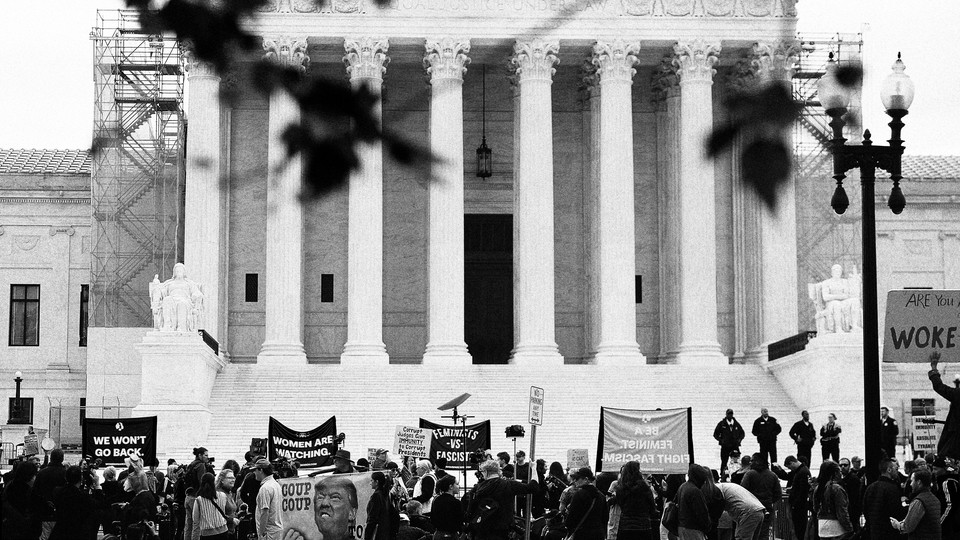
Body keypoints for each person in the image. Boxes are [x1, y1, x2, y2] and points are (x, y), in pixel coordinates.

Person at [466, 458, 538, 540]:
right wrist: (534, 468)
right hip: (502, 529)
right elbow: (533, 487)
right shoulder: (509, 485)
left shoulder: (477, 488)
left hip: (482, 529)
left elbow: (470, 511)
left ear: (485, 472)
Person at [890, 468, 942, 539]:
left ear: (919, 482)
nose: (910, 484)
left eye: (912, 481)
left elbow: (908, 526)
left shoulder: (919, 501)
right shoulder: (935, 499)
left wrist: (897, 525)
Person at [49, 465, 97, 540]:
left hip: (60, 531)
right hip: (77, 532)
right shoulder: (83, 496)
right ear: (81, 478)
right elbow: (98, 505)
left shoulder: (57, 491)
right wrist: (97, 486)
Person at [611, 461, 657, 540]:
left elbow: (621, 504)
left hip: (625, 525)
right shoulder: (644, 487)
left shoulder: (620, 488)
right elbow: (652, 506)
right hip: (643, 525)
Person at [739, 453, 781, 540]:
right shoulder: (772, 475)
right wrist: (769, 501)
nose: (750, 462)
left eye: (752, 460)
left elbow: (742, 491)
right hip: (767, 507)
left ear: (758, 461)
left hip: (751, 509)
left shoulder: (749, 474)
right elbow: (778, 494)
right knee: (764, 533)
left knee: (750, 533)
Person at [863, 459, 907, 540]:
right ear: (889, 470)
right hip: (889, 532)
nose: (897, 472)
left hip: (874, 532)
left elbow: (865, 509)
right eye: (896, 469)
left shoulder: (870, 487)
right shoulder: (892, 488)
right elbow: (896, 512)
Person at [928, 351, 960, 460]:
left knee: (945, 459)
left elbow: (939, 386)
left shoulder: (958, 394)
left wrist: (934, 368)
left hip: (956, 436)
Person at [563, 467, 608, 540]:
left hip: (582, 534)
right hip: (598, 534)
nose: (574, 481)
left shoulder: (579, 494)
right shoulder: (601, 496)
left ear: (586, 479)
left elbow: (572, 517)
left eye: (577, 478)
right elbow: (605, 518)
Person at [34, 447, 68, 540]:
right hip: (62, 513)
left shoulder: (41, 473)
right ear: (62, 459)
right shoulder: (65, 474)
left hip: (44, 512)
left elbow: (36, 492)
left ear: (51, 458)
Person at [813, 460, 852, 540]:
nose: (840, 473)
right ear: (834, 473)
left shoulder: (818, 488)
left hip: (822, 526)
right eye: (839, 471)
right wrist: (849, 528)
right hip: (836, 527)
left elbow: (815, 508)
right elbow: (842, 512)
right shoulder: (837, 489)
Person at [2, 459, 40, 540]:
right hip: (25, 530)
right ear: (30, 476)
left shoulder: (10, 486)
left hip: (9, 529)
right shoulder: (29, 491)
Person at [192, 472, 232, 539]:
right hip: (223, 531)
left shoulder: (198, 500)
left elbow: (195, 520)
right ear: (214, 482)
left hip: (207, 534)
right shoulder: (223, 495)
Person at [675, 464, 710, 540]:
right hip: (693, 529)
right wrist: (707, 527)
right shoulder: (695, 491)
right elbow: (701, 513)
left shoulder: (683, 486)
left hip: (682, 526)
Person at [254, 459, 283, 540]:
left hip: (268, 532)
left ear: (261, 470)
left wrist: (261, 534)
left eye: (255, 470)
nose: (254, 473)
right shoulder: (275, 484)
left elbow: (265, 512)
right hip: (276, 530)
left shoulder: (265, 488)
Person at [783, 456, 810, 540]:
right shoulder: (802, 471)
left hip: (799, 507)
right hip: (799, 505)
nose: (790, 469)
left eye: (789, 467)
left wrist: (795, 504)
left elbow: (803, 491)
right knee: (799, 529)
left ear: (792, 463)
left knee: (799, 528)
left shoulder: (802, 472)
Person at [931, 457, 959, 538]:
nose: (933, 472)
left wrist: (940, 522)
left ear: (944, 469)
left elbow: (950, 505)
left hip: (950, 525)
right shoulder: (952, 480)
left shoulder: (946, 483)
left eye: (936, 469)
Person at [713, 409, 745, 480]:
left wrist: (739, 440)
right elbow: (715, 434)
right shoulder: (722, 424)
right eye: (728, 414)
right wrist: (721, 440)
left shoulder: (736, 424)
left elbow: (742, 433)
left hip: (735, 446)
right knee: (724, 461)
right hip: (725, 446)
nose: (730, 415)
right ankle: (723, 475)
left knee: (736, 461)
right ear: (726, 414)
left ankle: (738, 474)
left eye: (731, 414)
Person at [366, 472, 396, 540]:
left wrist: (368, 535)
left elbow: (373, 516)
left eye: (371, 480)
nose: (370, 483)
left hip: (377, 533)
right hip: (385, 531)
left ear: (376, 482)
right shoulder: (385, 494)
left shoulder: (376, 496)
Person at [432, 475, 463, 539]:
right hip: (452, 534)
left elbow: (432, 517)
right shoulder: (456, 502)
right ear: (451, 486)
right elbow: (460, 520)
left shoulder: (436, 500)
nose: (459, 486)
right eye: (457, 484)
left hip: (438, 534)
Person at [839, 458, 863, 533]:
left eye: (845, 465)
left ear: (849, 466)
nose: (843, 467)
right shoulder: (840, 479)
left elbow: (856, 497)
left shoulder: (854, 479)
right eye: (841, 465)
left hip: (852, 511)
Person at [216, 468, 239, 537]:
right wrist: (231, 520)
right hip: (223, 532)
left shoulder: (229, 493)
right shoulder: (219, 494)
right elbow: (218, 514)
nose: (233, 480)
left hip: (231, 530)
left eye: (233, 478)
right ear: (222, 480)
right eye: (230, 478)